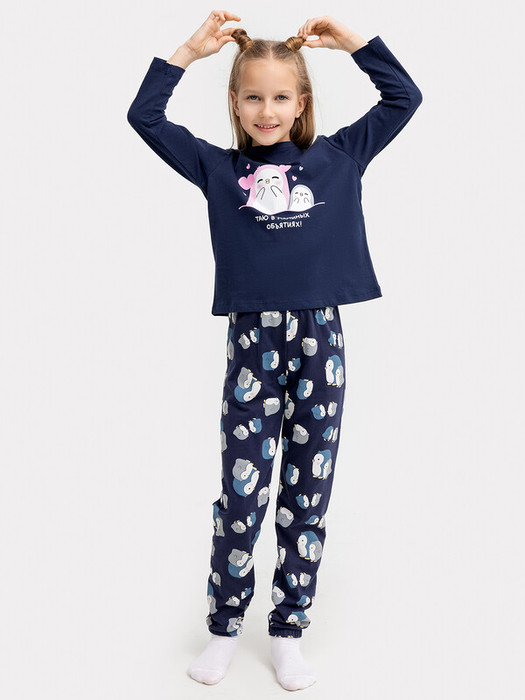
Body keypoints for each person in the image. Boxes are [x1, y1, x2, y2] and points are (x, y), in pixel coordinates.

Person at [127, 9, 422, 691]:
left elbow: (403, 96)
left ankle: (288, 631)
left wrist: (352, 43)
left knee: (306, 496)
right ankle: (225, 626)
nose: (267, 110)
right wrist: (188, 51)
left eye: (281, 96)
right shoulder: (217, 168)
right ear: (235, 103)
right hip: (252, 344)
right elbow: (145, 117)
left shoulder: (341, 157)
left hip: (322, 341)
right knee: (241, 496)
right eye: (253, 97)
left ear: (302, 102)